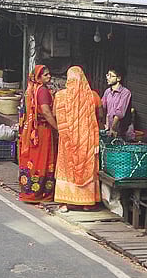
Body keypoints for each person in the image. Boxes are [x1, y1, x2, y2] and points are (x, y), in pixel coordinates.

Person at [53, 66, 102, 209]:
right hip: (87, 141)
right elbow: (100, 115)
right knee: (87, 168)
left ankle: (65, 203)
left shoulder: (60, 96)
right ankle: (86, 203)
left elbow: (56, 115)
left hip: (67, 140)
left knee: (67, 169)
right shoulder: (93, 96)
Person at [17, 65, 57, 204]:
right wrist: (57, 127)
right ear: (38, 77)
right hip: (41, 130)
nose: (49, 76)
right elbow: (46, 112)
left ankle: (29, 191)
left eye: (49, 74)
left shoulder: (30, 89)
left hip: (31, 131)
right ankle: (40, 193)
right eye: (45, 75)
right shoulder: (42, 91)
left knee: (33, 159)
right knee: (42, 159)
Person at [100, 68, 136, 140]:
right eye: (107, 75)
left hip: (123, 131)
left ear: (118, 78)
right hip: (111, 130)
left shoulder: (125, 93)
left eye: (111, 76)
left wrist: (113, 128)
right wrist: (106, 125)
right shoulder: (107, 92)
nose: (108, 77)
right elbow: (103, 107)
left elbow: (119, 113)